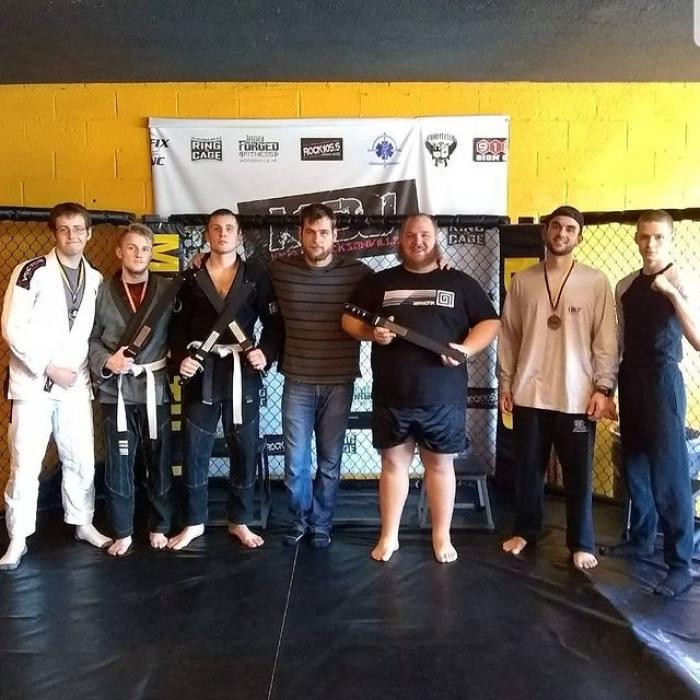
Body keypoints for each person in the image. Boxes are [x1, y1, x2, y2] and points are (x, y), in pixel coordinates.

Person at [343, 213, 500, 563]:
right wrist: (371, 333)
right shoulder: (380, 282)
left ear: (436, 238)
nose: (418, 241)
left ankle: (441, 537)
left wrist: (466, 349)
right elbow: (349, 319)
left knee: (440, 466)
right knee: (392, 465)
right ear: (400, 240)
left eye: (425, 235)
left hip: (442, 396)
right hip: (393, 394)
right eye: (411, 235)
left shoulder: (459, 282)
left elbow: (490, 322)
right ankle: (389, 536)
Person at [499, 205, 617, 571]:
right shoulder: (523, 281)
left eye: (569, 229)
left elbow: (606, 340)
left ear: (579, 237)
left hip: (577, 395)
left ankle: (581, 542)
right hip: (530, 392)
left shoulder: (596, 282)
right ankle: (525, 531)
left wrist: (603, 388)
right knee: (528, 469)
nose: (561, 233)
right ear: (545, 232)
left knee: (578, 474)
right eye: (555, 226)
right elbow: (509, 336)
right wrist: (506, 382)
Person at [0, 201, 111, 570]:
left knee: (80, 458)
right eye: (64, 229)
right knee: (26, 463)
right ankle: (18, 538)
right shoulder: (30, 271)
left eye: (78, 229)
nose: (71, 235)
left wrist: (74, 373)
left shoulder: (95, 279)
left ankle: (83, 522)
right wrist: (47, 367)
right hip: (33, 384)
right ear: (54, 234)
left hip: (75, 384)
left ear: (89, 233)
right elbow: (12, 328)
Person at [167, 208, 282, 550]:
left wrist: (266, 353)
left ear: (239, 235)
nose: (222, 234)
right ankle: (193, 522)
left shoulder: (255, 275)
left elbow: (275, 323)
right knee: (194, 449)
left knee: (244, 449)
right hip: (201, 370)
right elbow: (176, 326)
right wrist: (181, 358)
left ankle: (240, 520)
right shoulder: (191, 277)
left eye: (229, 228)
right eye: (216, 228)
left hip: (240, 369)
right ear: (207, 235)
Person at [270, 204, 372, 548]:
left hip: (339, 381)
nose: (317, 239)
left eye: (324, 232)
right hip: (297, 380)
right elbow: (237, 273)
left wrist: (438, 265)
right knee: (295, 465)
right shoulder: (279, 269)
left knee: (329, 463)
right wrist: (200, 261)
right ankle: (300, 519)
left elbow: (396, 286)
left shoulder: (358, 273)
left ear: (335, 235)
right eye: (311, 232)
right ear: (300, 234)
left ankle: (322, 524)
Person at [610, 210, 699, 596]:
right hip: (630, 378)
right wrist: (608, 387)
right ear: (636, 238)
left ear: (670, 240)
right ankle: (641, 539)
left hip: (664, 380)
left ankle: (680, 564)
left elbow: (698, 339)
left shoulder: (682, 279)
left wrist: (671, 293)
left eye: (658, 237)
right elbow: (619, 340)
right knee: (634, 463)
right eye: (644, 236)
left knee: (669, 472)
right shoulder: (625, 285)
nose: (650, 243)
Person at [89, 223, 175, 556]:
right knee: (119, 463)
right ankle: (122, 529)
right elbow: (90, 339)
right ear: (119, 252)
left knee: (160, 459)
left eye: (145, 249)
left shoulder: (167, 289)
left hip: (155, 387)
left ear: (152, 254)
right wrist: (107, 361)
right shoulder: (101, 292)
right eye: (132, 248)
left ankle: (160, 524)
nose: (138, 254)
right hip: (117, 392)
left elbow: (184, 329)